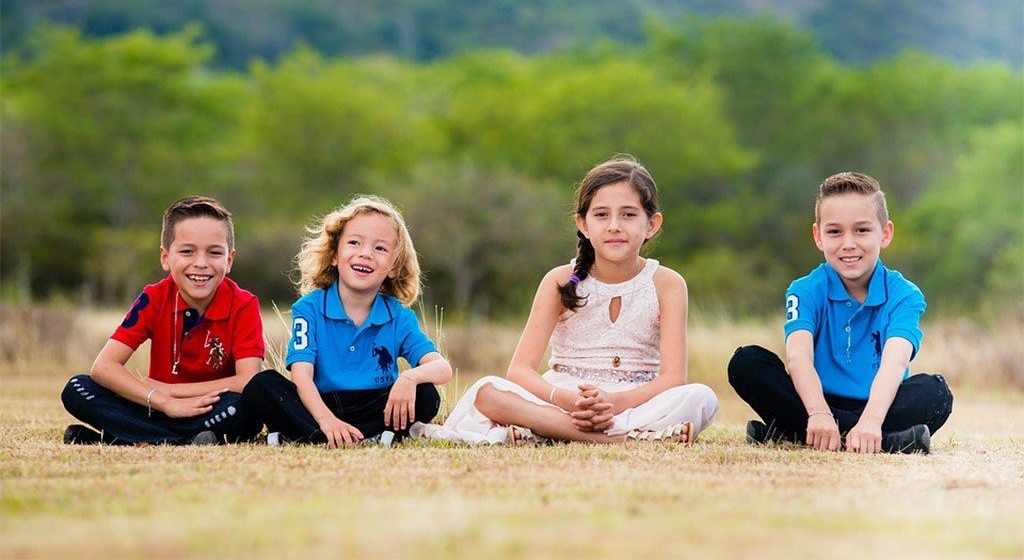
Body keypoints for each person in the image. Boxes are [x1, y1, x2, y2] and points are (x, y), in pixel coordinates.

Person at [415, 155, 718, 445]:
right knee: (488, 392)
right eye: (601, 215)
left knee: (702, 398)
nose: (614, 225)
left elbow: (673, 378)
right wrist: (567, 400)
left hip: (634, 400)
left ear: (651, 224)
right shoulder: (560, 280)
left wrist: (614, 403)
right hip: (563, 398)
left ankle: (549, 431)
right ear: (584, 224)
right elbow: (519, 370)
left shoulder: (667, 284)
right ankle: (622, 439)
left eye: (628, 214)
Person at [729, 172, 953, 454]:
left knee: (936, 394)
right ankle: (887, 441)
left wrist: (871, 420)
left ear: (885, 233)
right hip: (812, 401)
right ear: (818, 236)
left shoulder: (905, 295)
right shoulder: (804, 290)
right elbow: (798, 358)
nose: (848, 243)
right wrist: (819, 414)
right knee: (746, 363)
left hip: (878, 405)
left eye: (861, 230)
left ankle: (794, 433)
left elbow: (894, 364)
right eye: (835, 232)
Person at [241, 196, 452, 447]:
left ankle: (312, 436)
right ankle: (332, 435)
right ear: (334, 254)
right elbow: (301, 377)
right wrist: (328, 420)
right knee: (262, 385)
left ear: (393, 267)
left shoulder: (399, 316)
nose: (365, 254)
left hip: (374, 406)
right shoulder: (309, 308)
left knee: (427, 395)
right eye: (354, 243)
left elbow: (442, 369)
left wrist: (409, 378)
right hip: (318, 405)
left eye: (380, 248)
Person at [61, 196, 265, 445]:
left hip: (211, 409)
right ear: (165, 258)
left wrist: (173, 392)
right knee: (77, 389)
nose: (200, 263)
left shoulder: (244, 304)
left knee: (241, 409)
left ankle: (125, 437)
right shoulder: (154, 298)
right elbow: (104, 368)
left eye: (214, 253)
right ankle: (177, 441)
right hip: (156, 408)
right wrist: (163, 401)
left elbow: (247, 380)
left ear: (229, 260)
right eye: (187, 251)